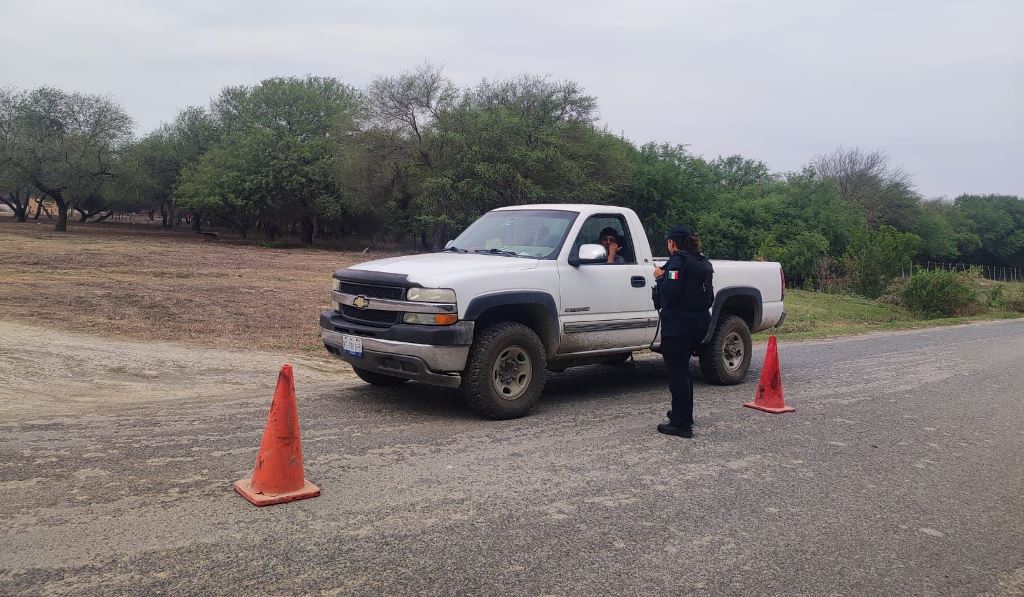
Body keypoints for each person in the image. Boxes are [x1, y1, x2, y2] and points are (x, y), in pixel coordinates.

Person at [653, 224, 714, 438]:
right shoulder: (701, 260)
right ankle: (683, 414)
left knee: (678, 374)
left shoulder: (678, 262)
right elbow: (710, 296)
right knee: (683, 370)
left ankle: (681, 425)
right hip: (699, 322)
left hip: (680, 325)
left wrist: (660, 277)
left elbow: (671, 290)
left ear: (672, 243)